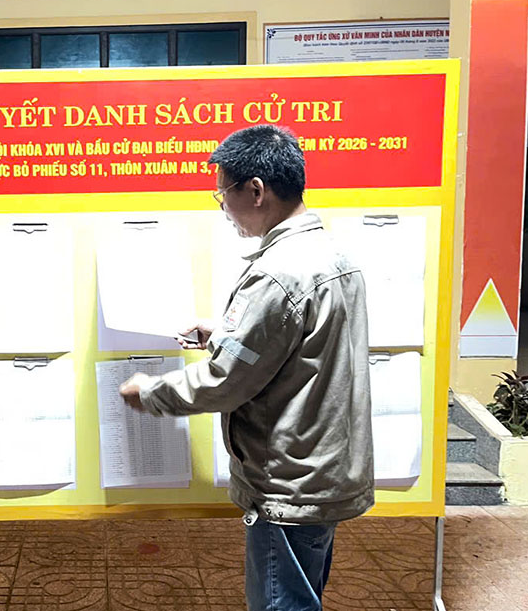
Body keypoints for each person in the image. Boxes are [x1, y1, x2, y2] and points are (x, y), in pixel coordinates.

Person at [119, 125, 374, 611]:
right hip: (323, 469)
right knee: (302, 596)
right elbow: (303, 349)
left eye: (223, 195)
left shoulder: (278, 272)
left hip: (288, 484)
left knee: (283, 604)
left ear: (255, 190)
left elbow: (224, 382)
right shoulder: (334, 255)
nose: (224, 209)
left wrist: (149, 393)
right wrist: (222, 335)